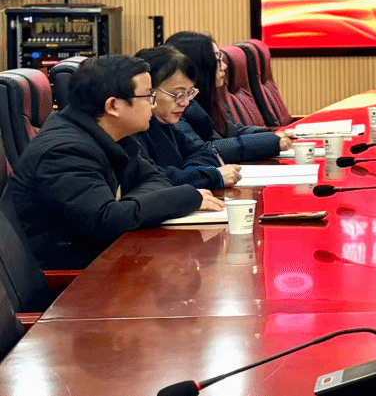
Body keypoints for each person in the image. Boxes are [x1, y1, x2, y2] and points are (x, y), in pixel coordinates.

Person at [2, 55, 223, 270]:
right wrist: (183, 197)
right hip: (73, 278)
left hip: (109, 259)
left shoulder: (112, 133)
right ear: (113, 106)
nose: (153, 105)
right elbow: (105, 221)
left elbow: (154, 179)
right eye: (148, 96)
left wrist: (129, 208)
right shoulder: (64, 151)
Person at [166, 31, 289, 163]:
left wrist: (271, 136)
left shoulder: (209, 98)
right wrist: (269, 142)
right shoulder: (176, 107)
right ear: (200, 65)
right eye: (217, 60)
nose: (224, 66)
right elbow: (202, 150)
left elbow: (232, 130)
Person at [133, 46, 243, 191]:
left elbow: (205, 153)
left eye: (189, 93)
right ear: (148, 91)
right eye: (177, 95)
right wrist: (208, 176)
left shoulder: (165, 125)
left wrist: (192, 175)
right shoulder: (133, 131)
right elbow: (152, 178)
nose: (185, 102)